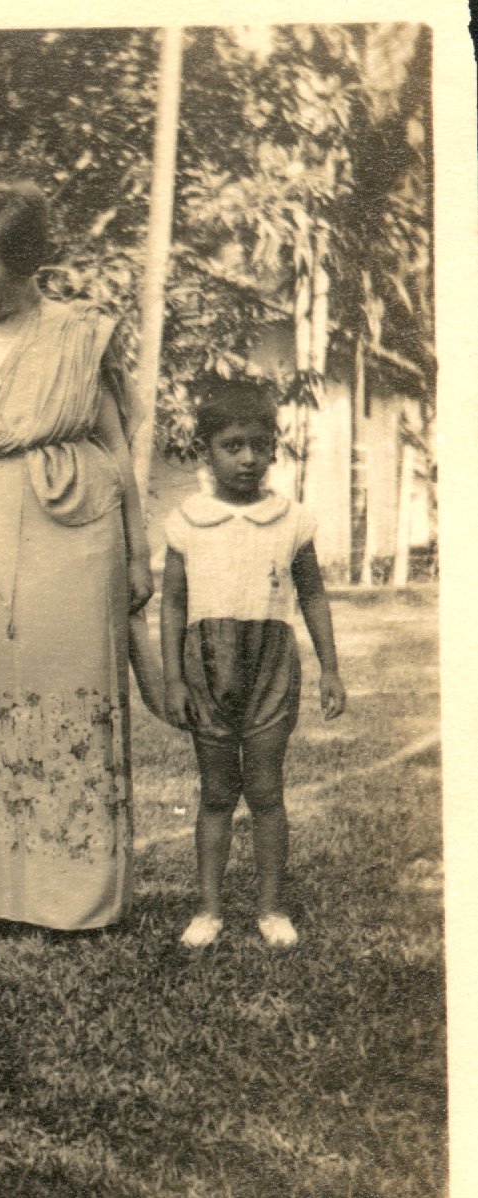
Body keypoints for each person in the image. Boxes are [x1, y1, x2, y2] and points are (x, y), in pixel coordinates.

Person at [0, 179, 156, 931]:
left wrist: (139, 551)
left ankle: (78, 895)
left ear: (26, 261)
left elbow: (117, 446)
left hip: (77, 524)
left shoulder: (76, 332)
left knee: (73, 689)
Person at [160, 377, 346, 948]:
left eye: (258, 445)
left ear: (273, 448)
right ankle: (208, 910)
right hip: (207, 666)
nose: (247, 458)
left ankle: (271, 908)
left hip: (271, 665)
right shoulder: (187, 520)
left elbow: (312, 595)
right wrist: (173, 678)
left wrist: (330, 669)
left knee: (266, 790)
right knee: (217, 791)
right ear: (206, 450)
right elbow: (173, 603)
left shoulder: (291, 519)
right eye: (232, 445)